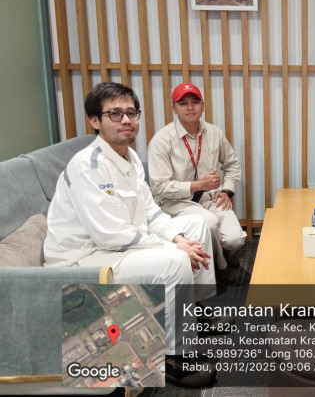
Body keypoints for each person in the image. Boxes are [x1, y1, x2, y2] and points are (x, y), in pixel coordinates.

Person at [44, 83, 217, 388]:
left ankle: (193, 311)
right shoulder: (88, 167)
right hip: (86, 257)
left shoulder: (131, 157)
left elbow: (150, 212)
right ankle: (174, 357)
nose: (126, 120)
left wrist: (179, 238)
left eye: (131, 113)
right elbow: (112, 236)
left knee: (196, 226)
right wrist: (176, 248)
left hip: (118, 243)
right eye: (115, 114)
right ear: (95, 121)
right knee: (176, 261)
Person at [148, 83, 246, 283]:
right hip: (176, 202)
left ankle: (224, 253)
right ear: (174, 108)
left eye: (195, 102)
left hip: (210, 198)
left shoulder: (214, 132)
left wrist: (227, 191)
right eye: (183, 103)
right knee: (209, 223)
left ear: (203, 105)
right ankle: (222, 267)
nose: (190, 107)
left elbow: (232, 164)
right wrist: (198, 185)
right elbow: (159, 187)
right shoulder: (161, 140)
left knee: (235, 239)